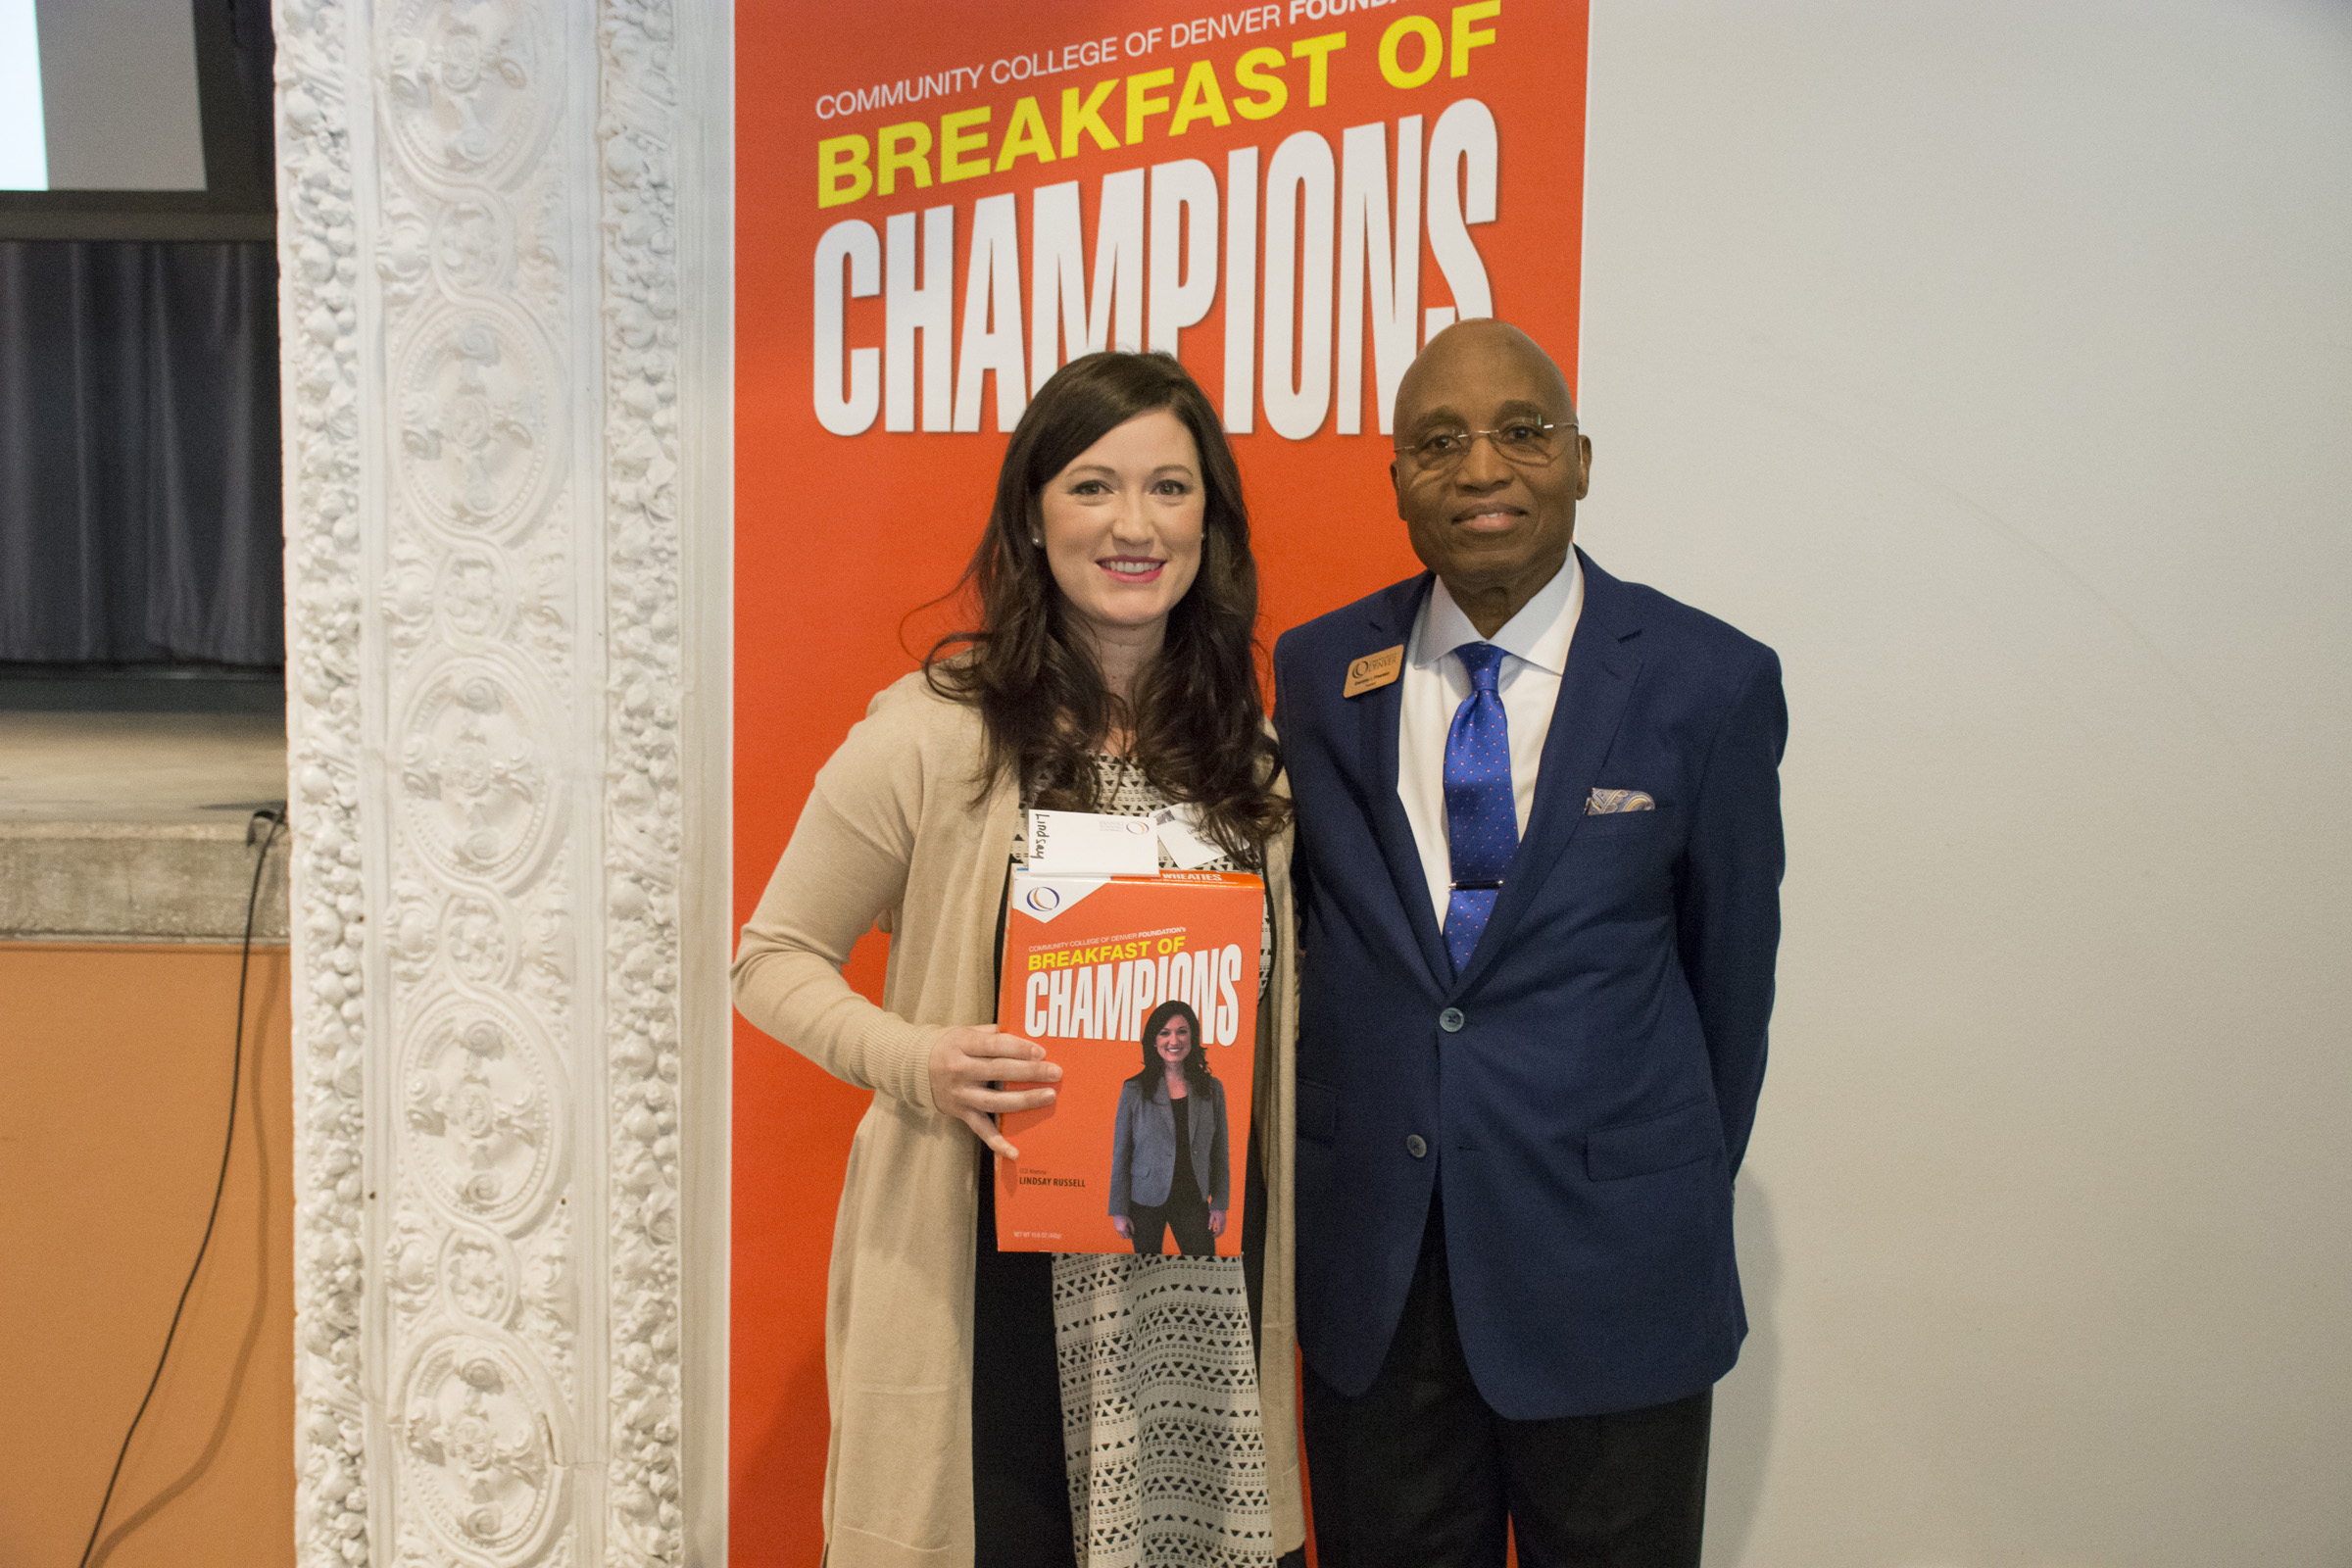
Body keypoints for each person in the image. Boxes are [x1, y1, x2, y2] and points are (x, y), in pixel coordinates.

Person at [732, 351, 1305, 1567]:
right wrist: (919, 1057)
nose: (1134, 524)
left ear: (1213, 517)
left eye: (1170, 487)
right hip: (987, 1276)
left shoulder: (1249, 757)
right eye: (1093, 487)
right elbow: (771, 959)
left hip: (1189, 1284)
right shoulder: (936, 734)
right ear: (1034, 517)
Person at [1272, 319, 1786, 1567]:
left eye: (1523, 432)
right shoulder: (1318, 668)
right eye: (1438, 442)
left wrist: (1638, 1181)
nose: (1484, 468)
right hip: (1377, 1286)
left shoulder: (1706, 680)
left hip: (1612, 1273)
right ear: (1396, 480)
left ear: (1584, 460)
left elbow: (1729, 985)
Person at [1108, 998, 1232, 1255]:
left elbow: (1220, 1151)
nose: (1173, 1041)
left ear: (1192, 1037)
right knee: (1146, 1274)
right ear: (1154, 1040)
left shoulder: (1213, 1089)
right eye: (1164, 1033)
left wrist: (1220, 1203)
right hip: (1144, 1198)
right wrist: (1119, 1211)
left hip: (1193, 1196)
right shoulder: (1134, 1089)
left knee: (1204, 1270)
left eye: (1182, 1031)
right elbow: (1121, 1153)